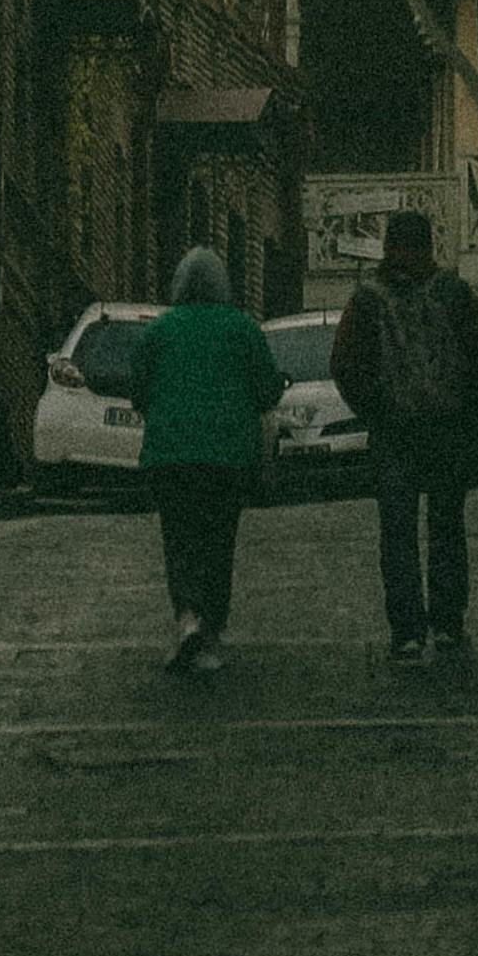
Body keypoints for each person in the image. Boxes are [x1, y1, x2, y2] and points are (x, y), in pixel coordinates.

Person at [330, 204, 478, 658]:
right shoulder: (453, 292)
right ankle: (447, 622)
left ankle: (407, 629)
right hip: (446, 428)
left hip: (394, 431)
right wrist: (473, 418)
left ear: (388, 247)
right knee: (447, 525)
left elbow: (345, 365)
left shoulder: (367, 299)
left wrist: (374, 411)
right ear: (430, 245)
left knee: (397, 532)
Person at [119, 246, 282, 680]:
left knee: (179, 538)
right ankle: (210, 634)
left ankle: (187, 617)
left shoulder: (159, 330)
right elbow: (269, 392)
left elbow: (137, 390)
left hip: (170, 456)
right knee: (218, 540)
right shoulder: (242, 328)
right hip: (227, 458)